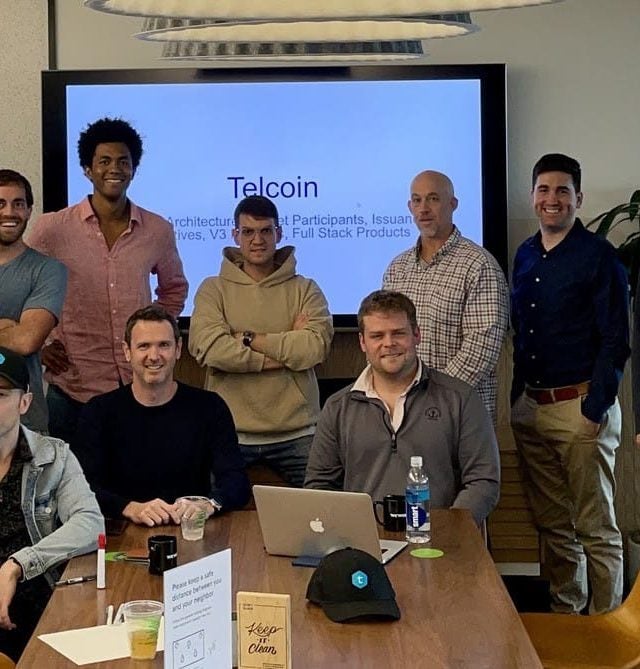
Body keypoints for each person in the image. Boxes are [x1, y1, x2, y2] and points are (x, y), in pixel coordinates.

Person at [511, 153, 629, 614]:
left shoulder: (600, 257)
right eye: (544, 189)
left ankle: (608, 628)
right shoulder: (525, 254)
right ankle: (568, 617)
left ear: (578, 198)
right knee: (554, 527)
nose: (552, 199)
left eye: (562, 190)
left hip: (579, 407)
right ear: (532, 196)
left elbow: (616, 339)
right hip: (531, 409)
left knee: (596, 529)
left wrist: (594, 409)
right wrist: (517, 401)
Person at [27, 117, 188, 444]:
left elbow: (174, 289)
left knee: (139, 473)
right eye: (104, 161)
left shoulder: (157, 230)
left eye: (123, 161)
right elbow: (20, 284)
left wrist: (153, 333)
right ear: (88, 169)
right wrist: (40, 344)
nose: (114, 169)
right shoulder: (53, 229)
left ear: (134, 169)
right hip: (73, 385)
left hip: (136, 385)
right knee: (69, 475)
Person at [304, 290, 500, 525]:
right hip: (364, 540)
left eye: (398, 333)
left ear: (417, 334)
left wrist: (448, 529)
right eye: (377, 336)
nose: (389, 343)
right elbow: (319, 485)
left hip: (438, 539)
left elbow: (483, 481)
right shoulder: (338, 407)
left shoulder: (460, 399)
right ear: (363, 342)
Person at [189, 195, 333, 487]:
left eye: (266, 231)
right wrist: (285, 355)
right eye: (248, 232)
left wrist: (246, 338)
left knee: (321, 510)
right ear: (235, 235)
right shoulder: (213, 289)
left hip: (299, 433)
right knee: (213, 511)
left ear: (278, 233)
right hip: (229, 431)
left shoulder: (305, 289)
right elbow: (210, 348)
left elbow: (313, 348)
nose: (257, 240)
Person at [74, 306, 250, 526]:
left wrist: (209, 504)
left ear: (178, 349)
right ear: (127, 351)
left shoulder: (209, 407)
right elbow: (81, 487)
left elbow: (236, 480)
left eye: (164, 345)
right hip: (123, 529)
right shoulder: (98, 411)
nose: (154, 356)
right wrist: (130, 508)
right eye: (144, 346)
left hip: (189, 527)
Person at [0, 346, 104, 662]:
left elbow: (90, 523)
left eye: (1, 395)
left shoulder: (54, 456)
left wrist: (17, 565)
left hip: (39, 603)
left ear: (25, 402)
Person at [383, 170, 508, 422]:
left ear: (453, 204)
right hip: (403, 412)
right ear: (409, 207)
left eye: (433, 199)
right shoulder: (397, 268)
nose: (424, 208)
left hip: (460, 413)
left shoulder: (478, 265)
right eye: (417, 200)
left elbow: (481, 348)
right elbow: (387, 336)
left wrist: (430, 399)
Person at [0, 170, 66, 433]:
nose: (9, 212)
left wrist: (20, 332)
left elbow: (27, 340)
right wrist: (8, 326)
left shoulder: (48, 270)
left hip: (25, 424)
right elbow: (15, 337)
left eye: (18, 204)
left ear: (29, 210)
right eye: (0, 203)